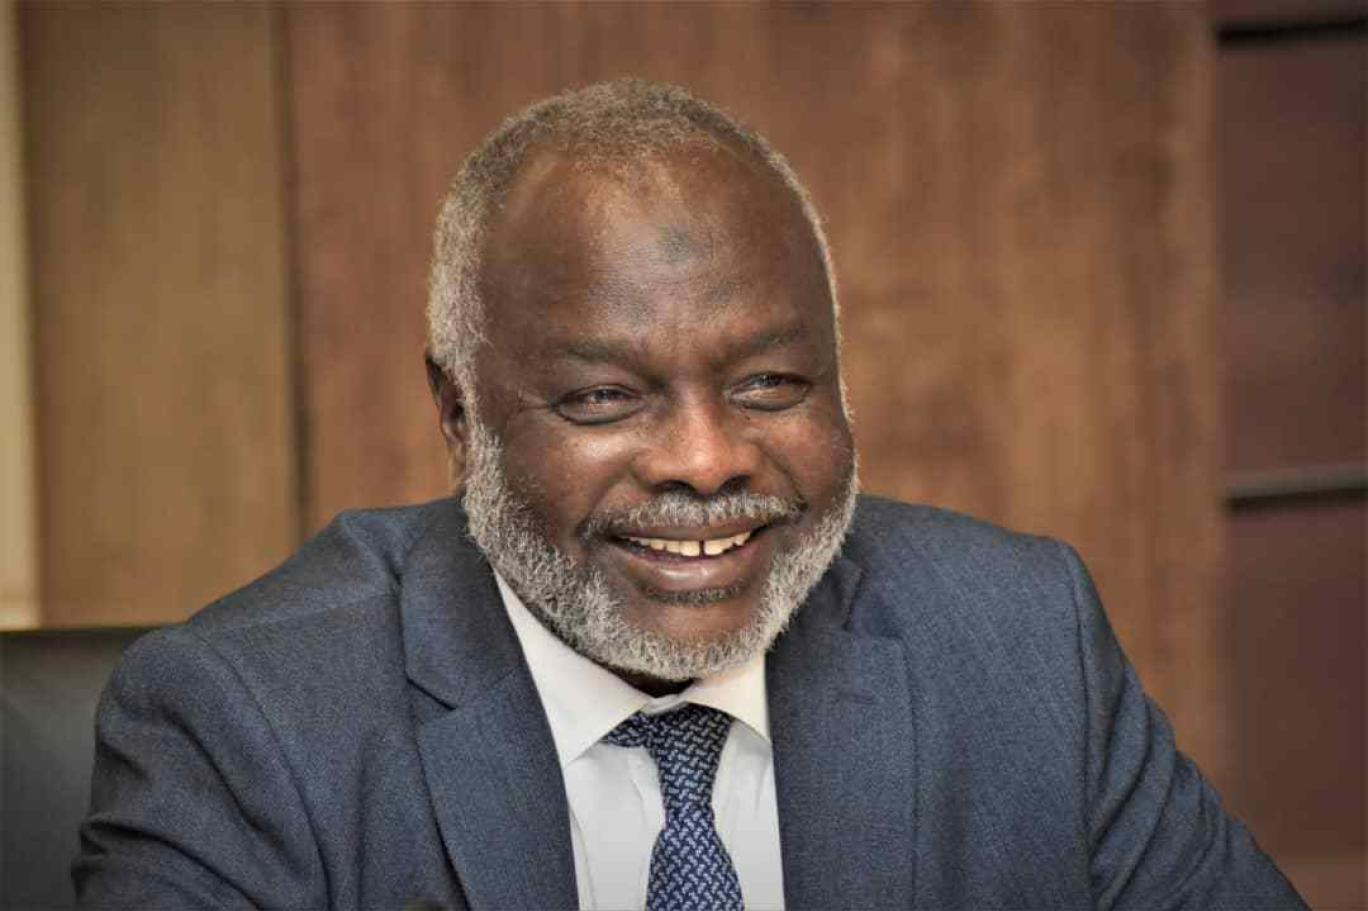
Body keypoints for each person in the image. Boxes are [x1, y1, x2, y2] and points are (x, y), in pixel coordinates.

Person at [74, 79, 1304, 911]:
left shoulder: (1018, 640)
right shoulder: (252, 724)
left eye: (770, 384)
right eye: (605, 398)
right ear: (458, 414)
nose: (709, 460)